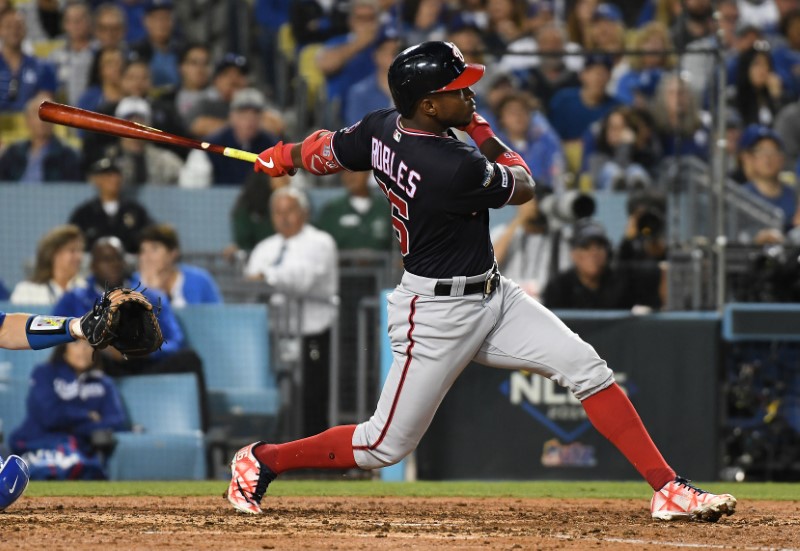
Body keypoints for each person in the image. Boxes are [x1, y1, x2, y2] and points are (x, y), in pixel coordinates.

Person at [226, 41, 737, 522]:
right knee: (383, 445)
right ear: (428, 105)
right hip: (435, 313)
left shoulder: (384, 127)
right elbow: (525, 184)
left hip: (495, 295)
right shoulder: (451, 166)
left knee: (587, 368)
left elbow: (327, 149)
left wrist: (285, 156)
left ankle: (667, 488)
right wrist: (482, 128)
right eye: (458, 90)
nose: (470, 96)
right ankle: (263, 459)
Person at [52, 237, 210, 429]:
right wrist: (104, 347)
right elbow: (58, 337)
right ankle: (92, 432)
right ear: (93, 265)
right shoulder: (73, 299)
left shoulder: (150, 296)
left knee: (190, 358)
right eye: (105, 259)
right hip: (104, 364)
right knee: (86, 361)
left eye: (117, 258)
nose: (113, 264)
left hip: (146, 363)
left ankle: (205, 435)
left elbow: (176, 340)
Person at [245, 187, 338, 437]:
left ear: (304, 212)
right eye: (277, 212)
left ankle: (314, 460)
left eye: (289, 211)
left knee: (312, 397)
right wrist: (263, 279)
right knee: (278, 397)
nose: (283, 218)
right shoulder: (264, 247)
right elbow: (247, 282)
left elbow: (301, 280)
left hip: (313, 331)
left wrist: (267, 276)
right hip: (274, 334)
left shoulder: (320, 242)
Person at [8, 339, 128, 480]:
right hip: (38, 441)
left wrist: (78, 428)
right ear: (64, 348)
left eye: (89, 345)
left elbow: (117, 420)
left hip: (80, 446)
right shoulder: (44, 373)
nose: (83, 349)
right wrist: (87, 415)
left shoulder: (104, 382)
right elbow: (49, 417)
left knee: (88, 467)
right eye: (76, 343)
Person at [543, 219, 662, 310]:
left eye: (599, 246)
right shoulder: (559, 287)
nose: (594, 253)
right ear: (574, 254)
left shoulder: (623, 278)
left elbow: (662, 272)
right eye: (586, 247)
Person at [179, 87, 278, 186]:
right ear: (232, 116)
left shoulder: (273, 147)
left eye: (254, 115)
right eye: (243, 114)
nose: (249, 121)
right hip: (218, 199)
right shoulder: (211, 146)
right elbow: (192, 188)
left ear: (261, 118)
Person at [490, 192, 571, 301]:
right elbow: (489, 264)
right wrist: (520, 218)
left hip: (546, 303)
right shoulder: (504, 232)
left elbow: (568, 276)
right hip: (508, 302)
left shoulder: (560, 237)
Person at [68, 157, 154, 254]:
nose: (114, 179)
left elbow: (148, 239)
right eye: (108, 175)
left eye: (117, 175)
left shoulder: (136, 211)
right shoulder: (84, 214)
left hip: (129, 264)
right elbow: (73, 243)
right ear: (96, 180)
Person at [0, 92, 82, 183]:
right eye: (37, 113)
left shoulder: (68, 156)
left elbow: (73, 191)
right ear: (27, 120)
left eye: (48, 114)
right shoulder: (13, 153)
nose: (42, 119)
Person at [136, 223, 222, 307]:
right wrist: (151, 290)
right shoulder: (133, 284)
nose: (147, 257)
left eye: (154, 249)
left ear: (173, 253)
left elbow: (218, 317)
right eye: (143, 250)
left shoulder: (200, 281)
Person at [739, 124, 800, 232]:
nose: (767, 158)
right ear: (750, 158)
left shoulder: (795, 195)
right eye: (761, 152)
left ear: (782, 158)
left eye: (773, 151)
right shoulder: (741, 196)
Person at [316, 171, 393, 251]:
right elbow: (321, 243)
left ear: (367, 173)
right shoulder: (332, 209)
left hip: (383, 262)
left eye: (355, 171)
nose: (351, 177)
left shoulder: (386, 208)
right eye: (345, 172)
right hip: (341, 262)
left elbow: (398, 244)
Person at [10, 224, 85, 306]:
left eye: (80, 250)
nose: (79, 257)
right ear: (53, 254)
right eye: (72, 250)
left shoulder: (85, 290)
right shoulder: (26, 291)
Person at [48, 0, 94, 106]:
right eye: (71, 21)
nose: (76, 25)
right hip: (64, 111)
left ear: (89, 22)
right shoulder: (55, 56)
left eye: (80, 20)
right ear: (65, 25)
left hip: (95, 110)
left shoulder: (98, 53)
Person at [130, 0, 182, 90]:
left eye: (166, 18)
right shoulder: (136, 52)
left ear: (172, 22)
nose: (161, 24)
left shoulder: (182, 50)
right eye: (156, 19)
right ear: (146, 21)